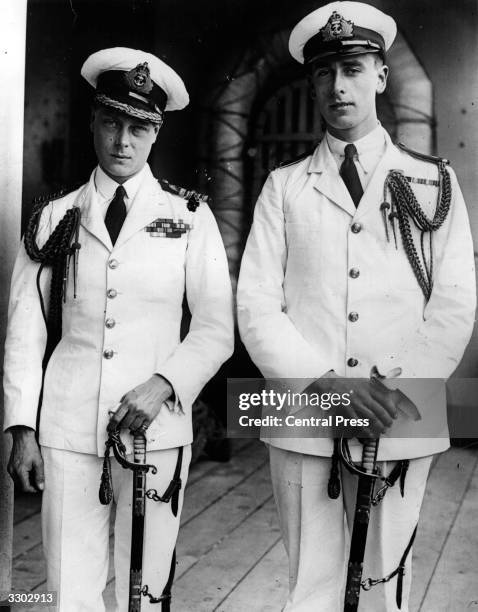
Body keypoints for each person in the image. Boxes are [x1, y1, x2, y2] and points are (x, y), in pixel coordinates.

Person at [237, 3, 476, 610]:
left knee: (384, 591)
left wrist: (391, 390)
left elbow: (453, 305)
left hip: (399, 413)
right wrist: (328, 387)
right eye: (323, 72)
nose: (337, 85)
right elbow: (257, 304)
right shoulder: (283, 186)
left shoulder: (434, 183)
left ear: (380, 76)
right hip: (303, 414)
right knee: (310, 587)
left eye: (352, 67)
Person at [4, 47, 234, 611]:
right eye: (111, 122)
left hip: (155, 427)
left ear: (155, 134)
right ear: (92, 122)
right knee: (68, 590)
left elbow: (214, 328)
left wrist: (164, 382)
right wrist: (20, 427)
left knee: (147, 590)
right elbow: (25, 330)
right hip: (67, 425)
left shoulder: (188, 217)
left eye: (138, 127)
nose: (122, 141)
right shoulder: (54, 218)